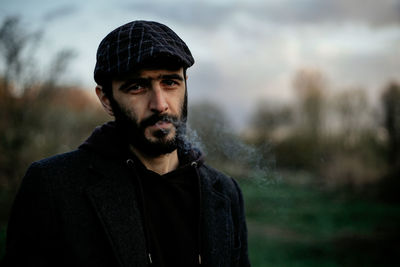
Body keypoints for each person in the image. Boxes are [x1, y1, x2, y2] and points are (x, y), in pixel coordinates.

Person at [2, 20, 250, 267]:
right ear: (106, 99)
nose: (160, 103)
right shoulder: (53, 186)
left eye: (170, 82)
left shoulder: (224, 191)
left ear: (185, 84)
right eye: (137, 86)